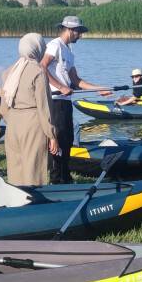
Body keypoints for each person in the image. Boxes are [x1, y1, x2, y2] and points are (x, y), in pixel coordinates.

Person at [41, 15, 111, 183]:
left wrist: (99, 89)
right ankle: (56, 179)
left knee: (68, 139)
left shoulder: (69, 51)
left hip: (66, 102)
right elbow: (41, 66)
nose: (80, 35)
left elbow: (76, 80)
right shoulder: (55, 45)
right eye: (79, 32)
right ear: (70, 30)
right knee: (58, 138)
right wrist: (61, 87)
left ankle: (65, 176)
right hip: (55, 101)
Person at [0, 34, 57, 186]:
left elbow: (3, 108)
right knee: (34, 170)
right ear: (38, 48)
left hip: (13, 125)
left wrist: (13, 121)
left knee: (15, 169)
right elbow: (44, 108)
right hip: (33, 124)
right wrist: (52, 135)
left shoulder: (9, 71)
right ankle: (33, 198)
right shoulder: (38, 71)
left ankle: (16, 198)